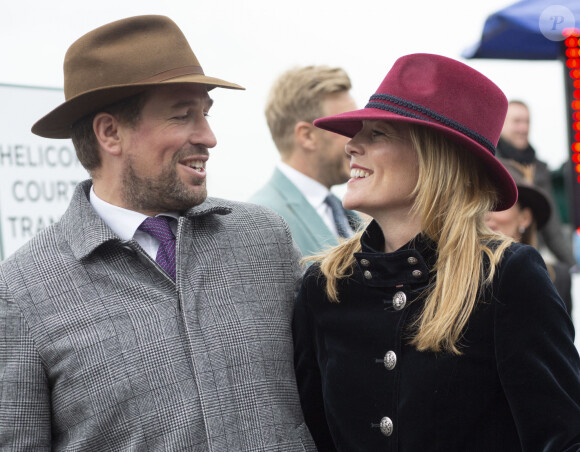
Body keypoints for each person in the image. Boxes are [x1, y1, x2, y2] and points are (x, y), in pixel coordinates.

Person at [0, 15, 315, 451]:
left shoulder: (265, 239)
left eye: (205, 114)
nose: (209, 137)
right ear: (110, 133)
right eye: (183, 116)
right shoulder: (20, 290)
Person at [293, 53, 580, 451]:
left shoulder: (505, 276)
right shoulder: (325, 286)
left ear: (435, 156)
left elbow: (563, 439)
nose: (351, 145)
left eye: (376, 134)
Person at [249, 66, 360, 256]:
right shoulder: (260, 223)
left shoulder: (349, 215)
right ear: (307, 136)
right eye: (346, 126)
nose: (358, 139)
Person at [486, 158, 573, 315]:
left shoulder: (558, 279)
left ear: (525, 218)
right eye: (480, 203)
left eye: (498, 203)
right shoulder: (464, 278)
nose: (485, 214)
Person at [497, 100, 577, 268]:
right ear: (502, 124)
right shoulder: (492, 165)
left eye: (527, 122)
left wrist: (573, 267)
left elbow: (553, 227)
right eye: (517, 121)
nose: (523, 128)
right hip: (499, 257)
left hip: (532, 258)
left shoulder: (539, 169)